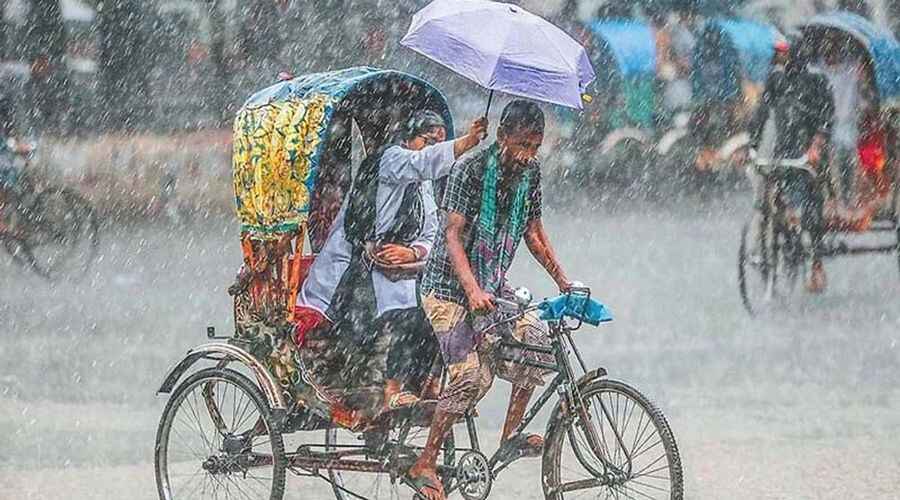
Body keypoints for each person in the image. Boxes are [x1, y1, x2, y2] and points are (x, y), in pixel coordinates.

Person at [407, 100, 572, 500]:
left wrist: (565, 282)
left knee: (538, 347)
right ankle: (425, 461)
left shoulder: (530, 173)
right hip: (447, 290)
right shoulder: (470, 170)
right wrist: (471, 291)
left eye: (535, 146)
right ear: (502, 137)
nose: (527, 155)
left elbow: (533, 232)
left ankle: (510, 435)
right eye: (521, 145)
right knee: (471, 376)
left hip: (493, 287)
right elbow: (452, 235)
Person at [293, 110, 487, 417]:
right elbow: (424, 162)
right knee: (406, 315)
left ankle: (427, 383)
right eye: (428, 140)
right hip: (353, 265)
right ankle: (392, 391)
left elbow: (431, 231)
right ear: (409, 139)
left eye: (440, 141)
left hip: (396, 270)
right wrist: (469, 140)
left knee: (437, 307)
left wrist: (413, 253)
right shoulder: (392, 160)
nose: (433, 147)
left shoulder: (422, 183)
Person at [748, 40, 834, 293]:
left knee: (810, 206)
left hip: (810, 154)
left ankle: (816, 264)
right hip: (784, 151)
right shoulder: (776, 80)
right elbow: (762, 113)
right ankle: (771, 238)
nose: (784, 60)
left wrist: (817, 144)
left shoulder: (818, 82)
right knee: (770, 194)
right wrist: (750, 144)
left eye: (787, 55)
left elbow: (827, 118)